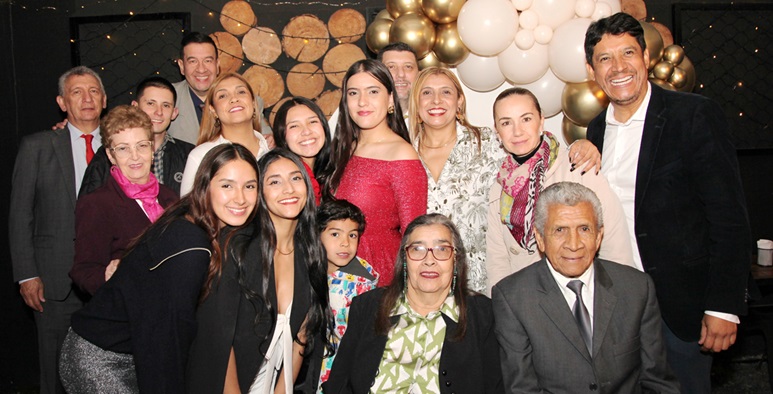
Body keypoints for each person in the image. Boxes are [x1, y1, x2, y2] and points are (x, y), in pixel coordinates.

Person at [584, 12, 752, 392]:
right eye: (605, 58)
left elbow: (729, 216)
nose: (619, 67)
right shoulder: (595, 130)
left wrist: (723, 305)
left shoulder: (693, 115)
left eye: (628, 53)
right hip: (618, 305)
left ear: (646, 57)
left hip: (682, 305)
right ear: (591, 70)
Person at [59, 143, 260, 392]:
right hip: (101, 357)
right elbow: (165, 340)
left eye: (249, 186)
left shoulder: (196, 221)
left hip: (130, 353)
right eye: (227, 185)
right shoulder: (191, 246)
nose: (240, 198)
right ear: (205, 186)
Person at [492, 182, 680, 393]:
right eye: (560, 230)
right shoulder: (513, 298)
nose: (574, 244)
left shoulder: (636, 289)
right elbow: (522, 389)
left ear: (599, 237)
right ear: (540, 239)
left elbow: (658, 382)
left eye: (584, 229)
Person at [187, 149, 330, 394]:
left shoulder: (312, 252)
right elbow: (219, 342)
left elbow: (300, 338)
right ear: (259, 192)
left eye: (296, 178)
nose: (289, 189)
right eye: (274, 181)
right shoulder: (237, 246)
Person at [323, 213, 503, 393]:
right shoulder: (369, 306)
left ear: (456, 260)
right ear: (405, 258)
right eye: (418, 249)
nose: (429, 260)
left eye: (442, 249)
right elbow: (338, 384)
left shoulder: (483, 315)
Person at [9, 66, 106, 394]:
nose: (86, 98)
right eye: (77, 92)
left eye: (93, 91)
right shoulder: (37, 146)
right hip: (53, 281)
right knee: (53, 371)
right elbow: (20, 214)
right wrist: (26, 275)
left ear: (104, 100)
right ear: (62, 102)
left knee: (106, 370)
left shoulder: (123, 146)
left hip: (109, 278)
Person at [486, 87, 633, 293]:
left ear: (541, 120)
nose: (517, 131)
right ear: (497, 130)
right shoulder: (500, 186)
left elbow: (614, 241)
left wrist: (620, 298)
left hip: (582, 293)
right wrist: (502, 307)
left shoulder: (578, 166)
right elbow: (497, 259)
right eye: (506, 122)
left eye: (526, 119)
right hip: (526, 298)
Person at [327, 59, 428, 286]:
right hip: (335, 271)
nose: (362, 101)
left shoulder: (401, 155)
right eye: (354, 93)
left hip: (375, 276)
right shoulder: (344, 148)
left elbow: (414, 235)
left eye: (373, 91)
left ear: (390, 98)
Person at [70, 105, 178, 295]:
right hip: (128, 312)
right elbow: (83, 272)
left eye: (142, 145)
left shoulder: (170, 198)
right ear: (111, 155)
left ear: (152, 149)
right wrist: (107, 275)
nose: (135, 156)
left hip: (173, 307)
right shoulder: (97, 204)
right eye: (123, 149)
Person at [80, 77, 195, 196]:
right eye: (151, 103)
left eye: (166, 105)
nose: (159, 112)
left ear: (174, 113)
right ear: (135, 106)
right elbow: (89, 203)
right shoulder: (109, 154)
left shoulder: (188, 154)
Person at [316, 199, 378, 390]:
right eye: (335, 234)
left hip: (341, 369)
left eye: (352, 235)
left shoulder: (361, 285)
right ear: (317, 235)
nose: (345, 243)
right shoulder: (306, 270)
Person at [170, 32, 271, 144]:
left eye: (208, 61)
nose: (201, 69)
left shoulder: (245, 103)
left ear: (217, 65)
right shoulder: (167, 100)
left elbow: (266, 141)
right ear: (182, 66)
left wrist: (271, 140)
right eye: (193, 61)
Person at [180, 72, 270, 196]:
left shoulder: (272, 150)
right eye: (222, 96)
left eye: (241, 92)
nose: (234, 99)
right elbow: (188, 212)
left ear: (254, 103)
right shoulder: (201, 156)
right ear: (213, 110)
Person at [328, 41, 419, 133]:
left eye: (408, 67)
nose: (401, 74)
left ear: (419, 73)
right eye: (391, 67)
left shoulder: (428, 114)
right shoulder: (357, 110)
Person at [272, 97, 333, 204]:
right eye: (294, 126)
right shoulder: (284, 178)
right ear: (282, 135)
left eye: (312, 121)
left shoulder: (330, 169)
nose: (306, 131)